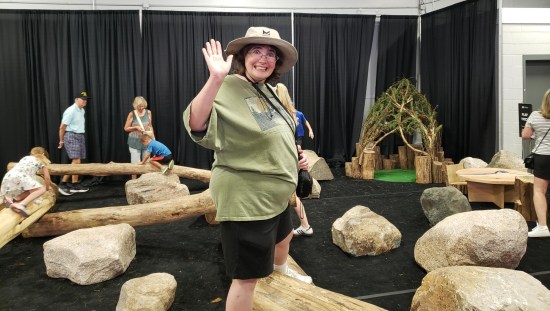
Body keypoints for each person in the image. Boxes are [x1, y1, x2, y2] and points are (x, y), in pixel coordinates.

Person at [183, 26, 312, 311]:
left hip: (275, 196)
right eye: (256, 51)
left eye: (270, 54)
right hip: (247, 199)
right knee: (246, 277)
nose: (264, 58)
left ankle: (279, 273)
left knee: (285, 236)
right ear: (243, 56)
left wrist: (294, 157)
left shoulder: (268, 90)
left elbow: (277, 132)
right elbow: (196, 124)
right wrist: (215, 79)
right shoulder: (227, 86)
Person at [275, 83, 313, 237]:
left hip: (284, 161)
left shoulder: (282, 115)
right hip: (288, 158)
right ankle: (305, 226)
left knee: (291, 195)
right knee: (291, 195)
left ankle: (304, 226)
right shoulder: (289, 114)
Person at [522, 88, 550, 238]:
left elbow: (525, 135)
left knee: (539, 191)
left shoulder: (535, 115)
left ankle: (543, 227)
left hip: (544, 157)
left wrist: (537, 135)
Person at [1, 147, 52, 218]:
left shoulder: (25, 158)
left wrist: (36, 198)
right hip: (20, 176)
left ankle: (13, 199)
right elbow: (47, 177)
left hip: (9, 175)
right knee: (42, 189)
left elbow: (31, 188)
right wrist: (47, 187)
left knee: (30, 189)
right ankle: (21, 204)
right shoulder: (41, 161)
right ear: (43, 154)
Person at [57, 91, 91, 196]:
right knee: (76, 160)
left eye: (86, 100)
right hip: (71, 135)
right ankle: (69, 184)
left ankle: (67, 183)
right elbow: (62, 127)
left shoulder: (82, 110)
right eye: (82, 99)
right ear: (76, 99)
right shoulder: (70, 111)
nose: (85, 101)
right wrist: (61, 140)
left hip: (80, 135)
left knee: (76, 162)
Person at [124, 96, 155, 179]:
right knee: (135, 164)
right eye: (139, 107)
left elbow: (150, 126)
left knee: (147, 163)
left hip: (146, 141)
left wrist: (154, 139)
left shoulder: (148, 112)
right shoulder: (132, 114)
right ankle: (134, 182)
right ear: (135, 106)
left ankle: (146, 181)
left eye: (142, 106)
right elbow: (126, 128)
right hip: (134, 142)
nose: (141, 108)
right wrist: (135, 128)